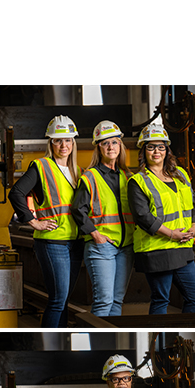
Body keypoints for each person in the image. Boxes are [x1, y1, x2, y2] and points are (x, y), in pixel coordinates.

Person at [8, 115, 84, 327]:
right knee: (58, 300)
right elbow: (16, 193)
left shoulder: (78, 171)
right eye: (58, 140)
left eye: (68, 140)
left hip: (75, 243)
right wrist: (33, 221)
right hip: (52, 242)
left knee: (64, 300)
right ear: (50, 143)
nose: (63, 145)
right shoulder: (41, 166)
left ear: (73, 143)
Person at [128, 122, 195, 315]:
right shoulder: (138, 181)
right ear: (143, 151)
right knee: (161, 299)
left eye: (161, 147)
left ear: (166, 150)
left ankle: (183, 334)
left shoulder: (180, 174)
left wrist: (194, 227)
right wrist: (171, 234)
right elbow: (142, 216)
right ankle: (158, 340)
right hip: (157, 249)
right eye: (151, 147)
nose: (156, 152)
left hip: (182, 247)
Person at [72, 121, 135, 318]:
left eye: (114, 142)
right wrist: (95, 234)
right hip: (102, 246)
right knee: (104, 301)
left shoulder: (127, 176)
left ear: (120, 146)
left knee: (117, 301)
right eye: (105, 143)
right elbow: (77, 209)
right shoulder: (90, 176)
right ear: (98, 147)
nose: (110, 147)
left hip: (126, 247)